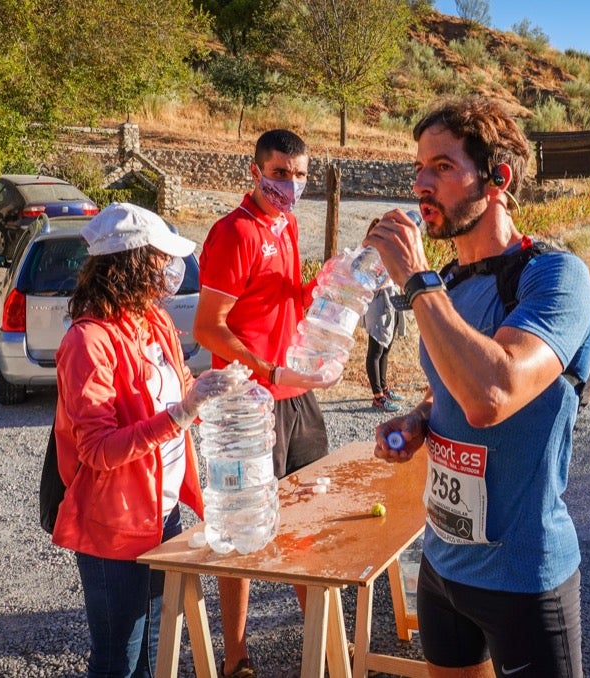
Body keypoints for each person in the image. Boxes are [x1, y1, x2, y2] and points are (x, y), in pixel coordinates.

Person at [364, 97, 590, 678]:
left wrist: (417, 282)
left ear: (498, 179)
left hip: (523, 575)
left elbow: (492, 395)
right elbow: (449, 386)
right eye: (419, 167)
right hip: (442, 564)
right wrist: (419, 417)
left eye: (442, 167)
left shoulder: (555, 277)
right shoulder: (447, 284)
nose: (421, 183)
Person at [53, 202, 238, 678]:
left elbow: (176, 400)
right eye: (161, 259)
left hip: (164, 513)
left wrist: (211, 403)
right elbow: (97, 449)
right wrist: (181, 412)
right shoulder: (87, 342)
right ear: (130, 264)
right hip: (114, 526)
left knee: (156, 652)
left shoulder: (153, 321)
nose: (170, 270)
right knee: (119, 659)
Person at [192, 129, 339, 678]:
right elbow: (210, 328)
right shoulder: (234, 233)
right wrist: (267, 370)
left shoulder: (289, 222)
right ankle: (236, 656)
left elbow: (285, 300)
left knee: (306, 518)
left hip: (295, 395)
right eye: (280, 173)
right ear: (254, 172)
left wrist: (319, 287)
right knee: (241, 531)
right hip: (246, 404)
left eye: (299, 175)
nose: (291, 185)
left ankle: (324, 650)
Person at [363, 277, 405, 412]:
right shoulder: (370, 256)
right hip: (378, 305)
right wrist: (388, 278)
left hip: (392, 301)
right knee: (375, 352)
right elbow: (364, 278)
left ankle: (384, 388)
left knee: (385, 350)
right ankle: (378, 397)